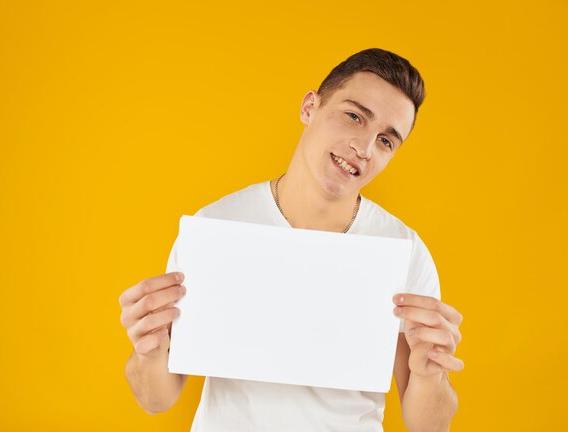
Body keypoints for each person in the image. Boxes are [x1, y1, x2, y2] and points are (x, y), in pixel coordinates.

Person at [118, 48, 464, 431]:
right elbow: (156, 399)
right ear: (309, 107)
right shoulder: (218, 227)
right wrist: (146, 350)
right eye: (354, 116)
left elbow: (427, 427)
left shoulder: (403, 252)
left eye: (385, 140)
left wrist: (431, 373)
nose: (363, 148)